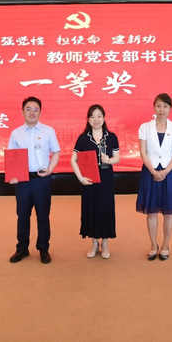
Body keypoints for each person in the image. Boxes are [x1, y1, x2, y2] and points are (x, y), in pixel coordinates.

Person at [7, 96, 60, 264]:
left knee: (43, 215)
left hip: (42, 179)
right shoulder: (16, 133)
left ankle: (43, 248)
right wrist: (12, 175)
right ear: (22, 112)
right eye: (28, 109)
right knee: (22, 216)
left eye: (35, 109)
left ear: (40, 112)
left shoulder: (48, 131)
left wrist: (50, 169)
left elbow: (56, 152)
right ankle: (22, 248)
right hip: (22, 181)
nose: (32, 112)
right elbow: (11, 157)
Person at [136, 93, 172, 261]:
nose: (161, 109)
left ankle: (165, 245)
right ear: (154, 107)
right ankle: (153, 245)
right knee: (151, 212)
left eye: (165, 106)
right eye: (158, 106)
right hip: (150, 172)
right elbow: (143, 152)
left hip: (169, 174)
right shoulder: (145, 127)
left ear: (170, 108)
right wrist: (154, 172)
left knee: (168, 213)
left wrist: (165, 172)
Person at [70, 104, 120, 259]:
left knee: (105, 208)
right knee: (91, 209)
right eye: (92, 117)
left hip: (106, 180)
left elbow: (117, 158)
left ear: (104, 118)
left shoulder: (111, 137)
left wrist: (109, 160)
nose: (96, 120)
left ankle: (105, 243)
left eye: (99, 116)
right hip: (89, 180)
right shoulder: (83, 138)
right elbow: (73, 160)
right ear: (88, 119)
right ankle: (94, 243)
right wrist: (81, 178)